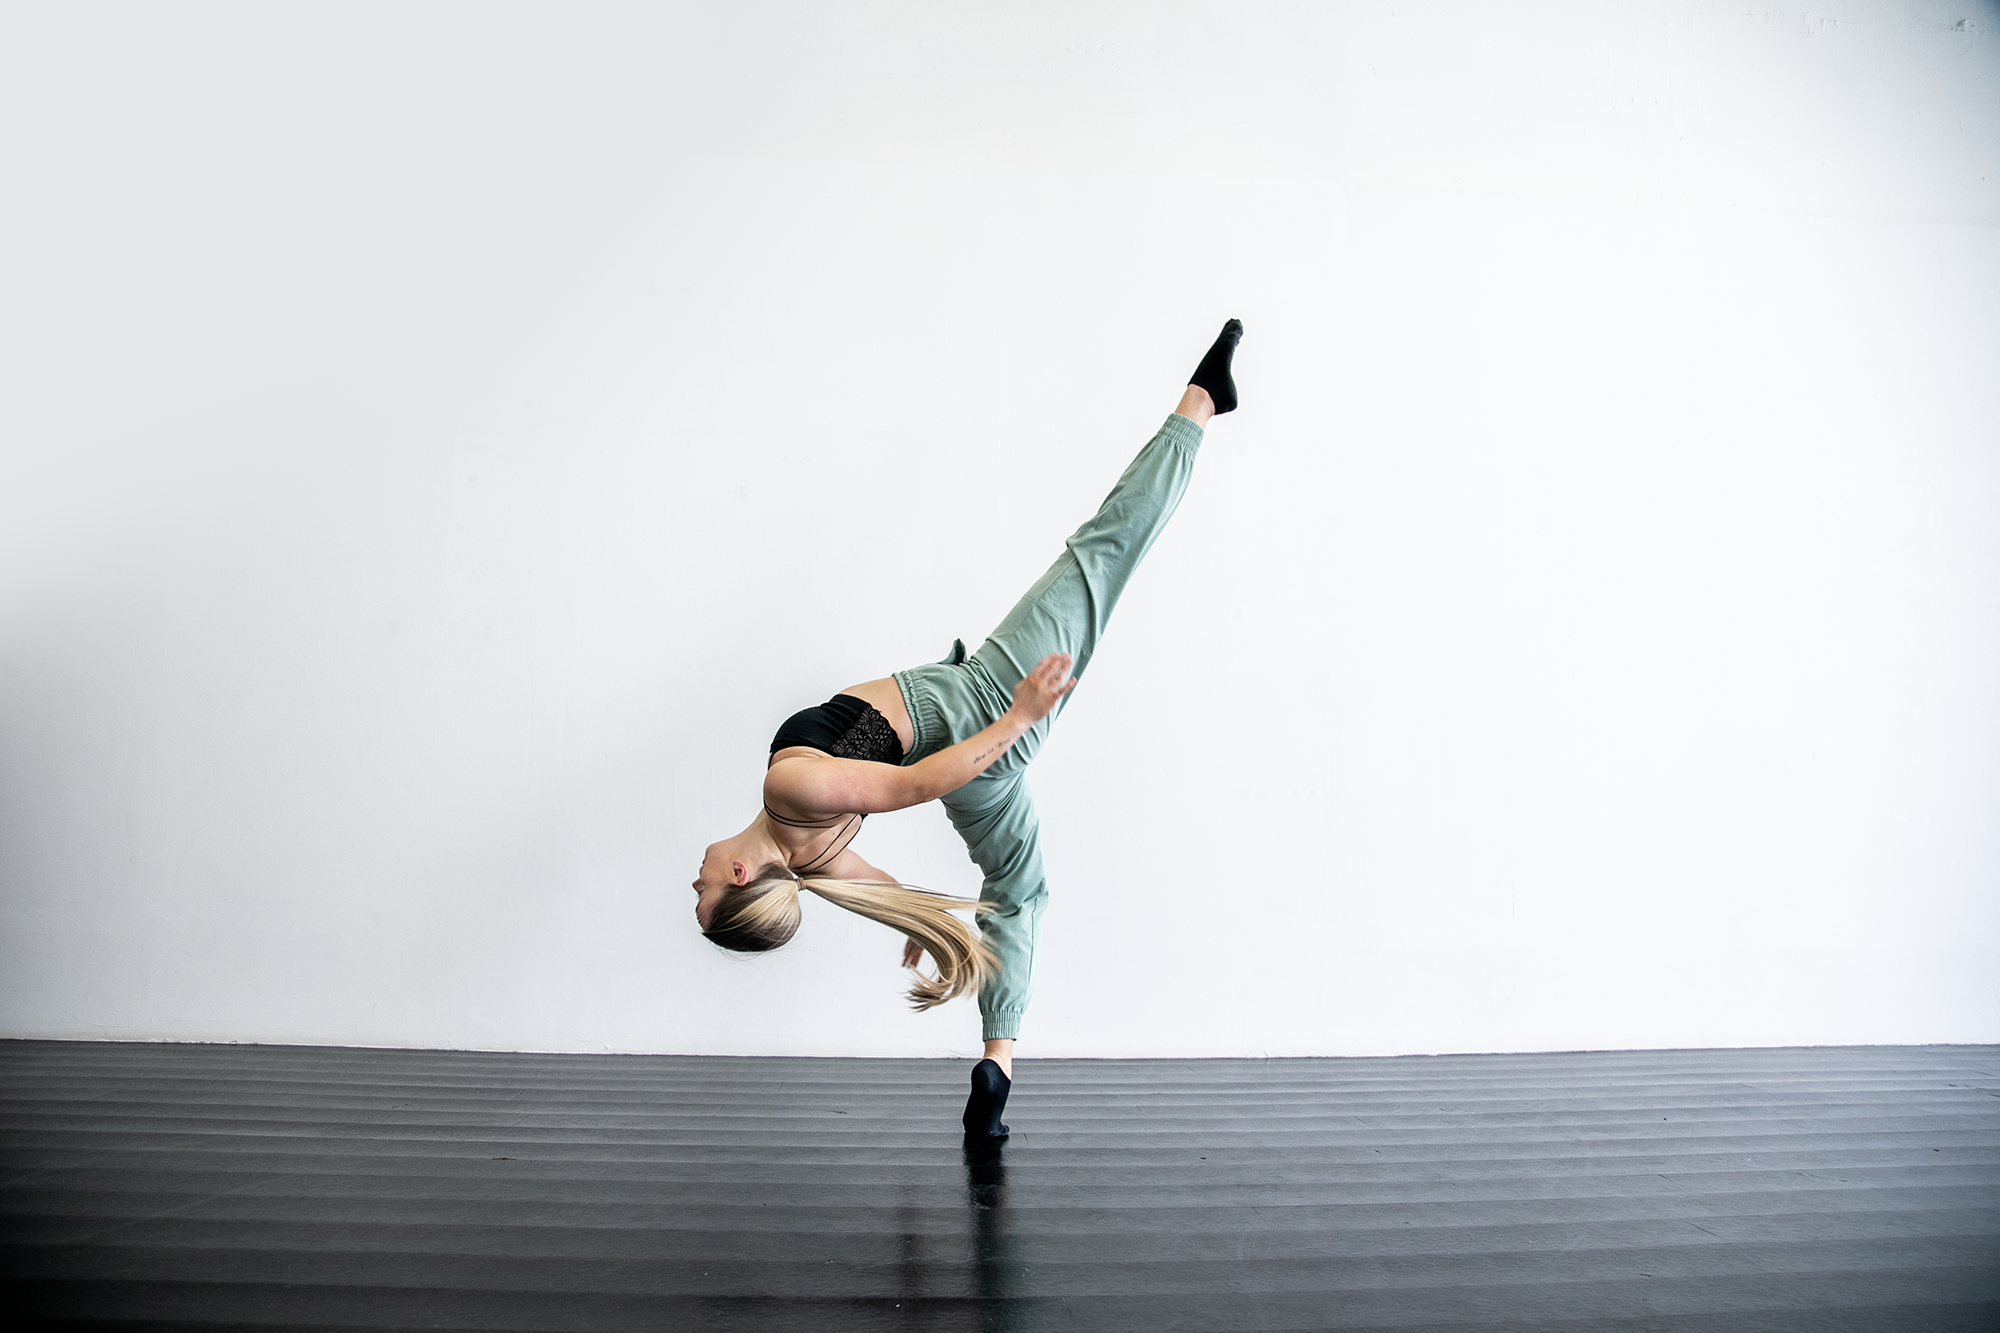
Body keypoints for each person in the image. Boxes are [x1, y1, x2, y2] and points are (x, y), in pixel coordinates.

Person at [693, 320, 1244, 1138]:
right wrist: (1019, 713)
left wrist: (926, 928)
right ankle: (1201, 401)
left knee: (1019, 889)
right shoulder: (788, 791)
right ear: (740, 877)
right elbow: (912, 783)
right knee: (1102, 552)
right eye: (700, 894)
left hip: (981, 767)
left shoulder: (817, 859)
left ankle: (998, 1064)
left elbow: (919, 902)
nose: (692, 880)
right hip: (983, 708)